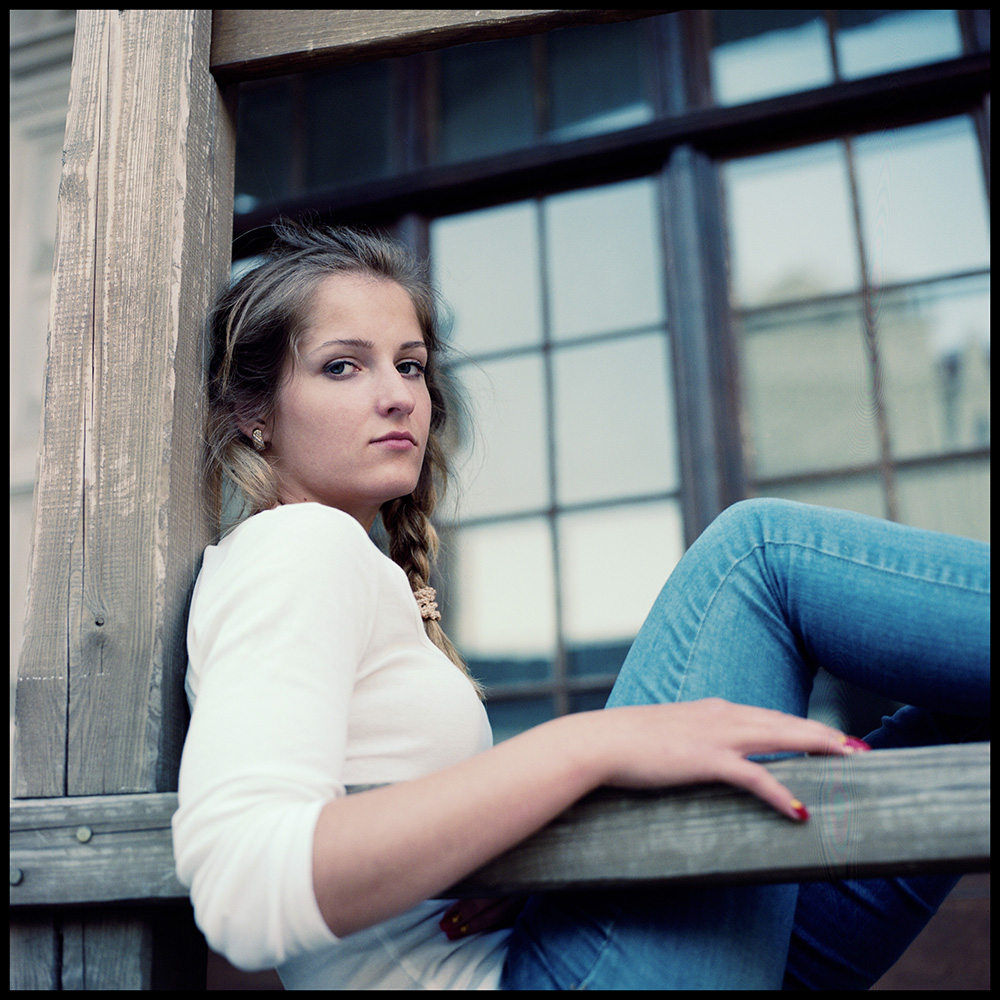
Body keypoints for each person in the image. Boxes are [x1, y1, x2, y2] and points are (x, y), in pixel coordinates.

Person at [172, 221, 989, 990]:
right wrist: (591, 747)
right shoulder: (296, 547)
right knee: (757, 555)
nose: (398, 397)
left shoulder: (341, 562)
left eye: (410, 366)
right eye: (342, 367)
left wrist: (532, 864)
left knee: (965, 711)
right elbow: (244, 887)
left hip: (550, 953)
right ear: (253, 412)